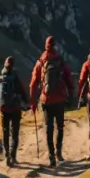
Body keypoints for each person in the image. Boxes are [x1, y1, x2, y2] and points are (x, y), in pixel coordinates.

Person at [29, 36, 74, 167]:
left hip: (46, 100)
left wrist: (33, 102)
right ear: (54, 45)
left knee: (49, 128)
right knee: (60, 126)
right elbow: (68, 77)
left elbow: (33, 83)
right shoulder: (60, 60)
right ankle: (59, 152)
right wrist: (71, 94)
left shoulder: (41, 61)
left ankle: (51, 156)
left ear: (45, 45)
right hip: (60, 98)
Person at [0, 56, 28, 166]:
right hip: (15, 109)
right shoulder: (15, 78)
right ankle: (13, 156)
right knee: (14, 133)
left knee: (5, 132)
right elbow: (22, 92)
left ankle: (7, 155)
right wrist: (26, 102)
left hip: (4, 109)